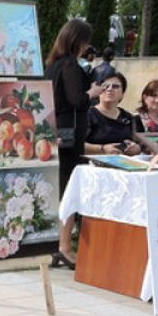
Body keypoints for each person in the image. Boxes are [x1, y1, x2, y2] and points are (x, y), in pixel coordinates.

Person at [47, 18, 104, 269]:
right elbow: (76, 100)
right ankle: (63, 246)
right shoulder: (69, 65)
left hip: (56, 133)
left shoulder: (52, 65)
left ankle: (55, 245)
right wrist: (92, 93)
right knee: (68, 191)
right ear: (78, 41)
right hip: (69, 137)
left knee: (58, 188)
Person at [83, 72, 146, 156]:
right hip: (93, 166)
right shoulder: (88, 115)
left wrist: (136, 148)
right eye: (105, 86)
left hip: (124, 165)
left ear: (122, 94)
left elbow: (142, 144)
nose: (110, 89)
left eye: (115, 86)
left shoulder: (129, 117)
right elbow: (77, 145)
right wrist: (102, 149)